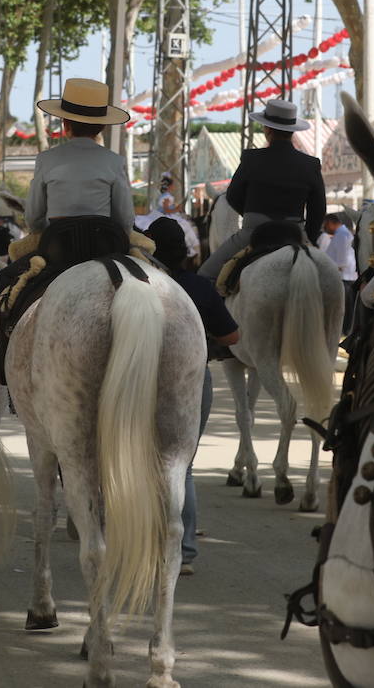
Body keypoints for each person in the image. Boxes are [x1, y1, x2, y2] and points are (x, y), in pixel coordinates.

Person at [142, 216, 239, 575]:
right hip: (194, 381)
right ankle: (184, 550)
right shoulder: (199, 286)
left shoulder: (139, 285)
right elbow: (233, 338)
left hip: (143, 379)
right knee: (183, 466)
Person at [198, 99, 326, 282]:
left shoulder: (251, 159)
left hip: (254, 232)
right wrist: (309, 237)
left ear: (268, 130)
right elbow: (319, 208)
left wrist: (252, 215)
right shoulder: (310, 164)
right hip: (295, 233)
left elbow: (233, 195)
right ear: (292, 131)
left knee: (205, 275)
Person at [27, 78, 134, 234]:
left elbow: (33, 217)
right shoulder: (114, 161)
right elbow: (125, 219)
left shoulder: (46, 159)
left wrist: (41, 234)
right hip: (101, 241)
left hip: (57, 243)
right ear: (102, 126)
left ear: (65, 124)